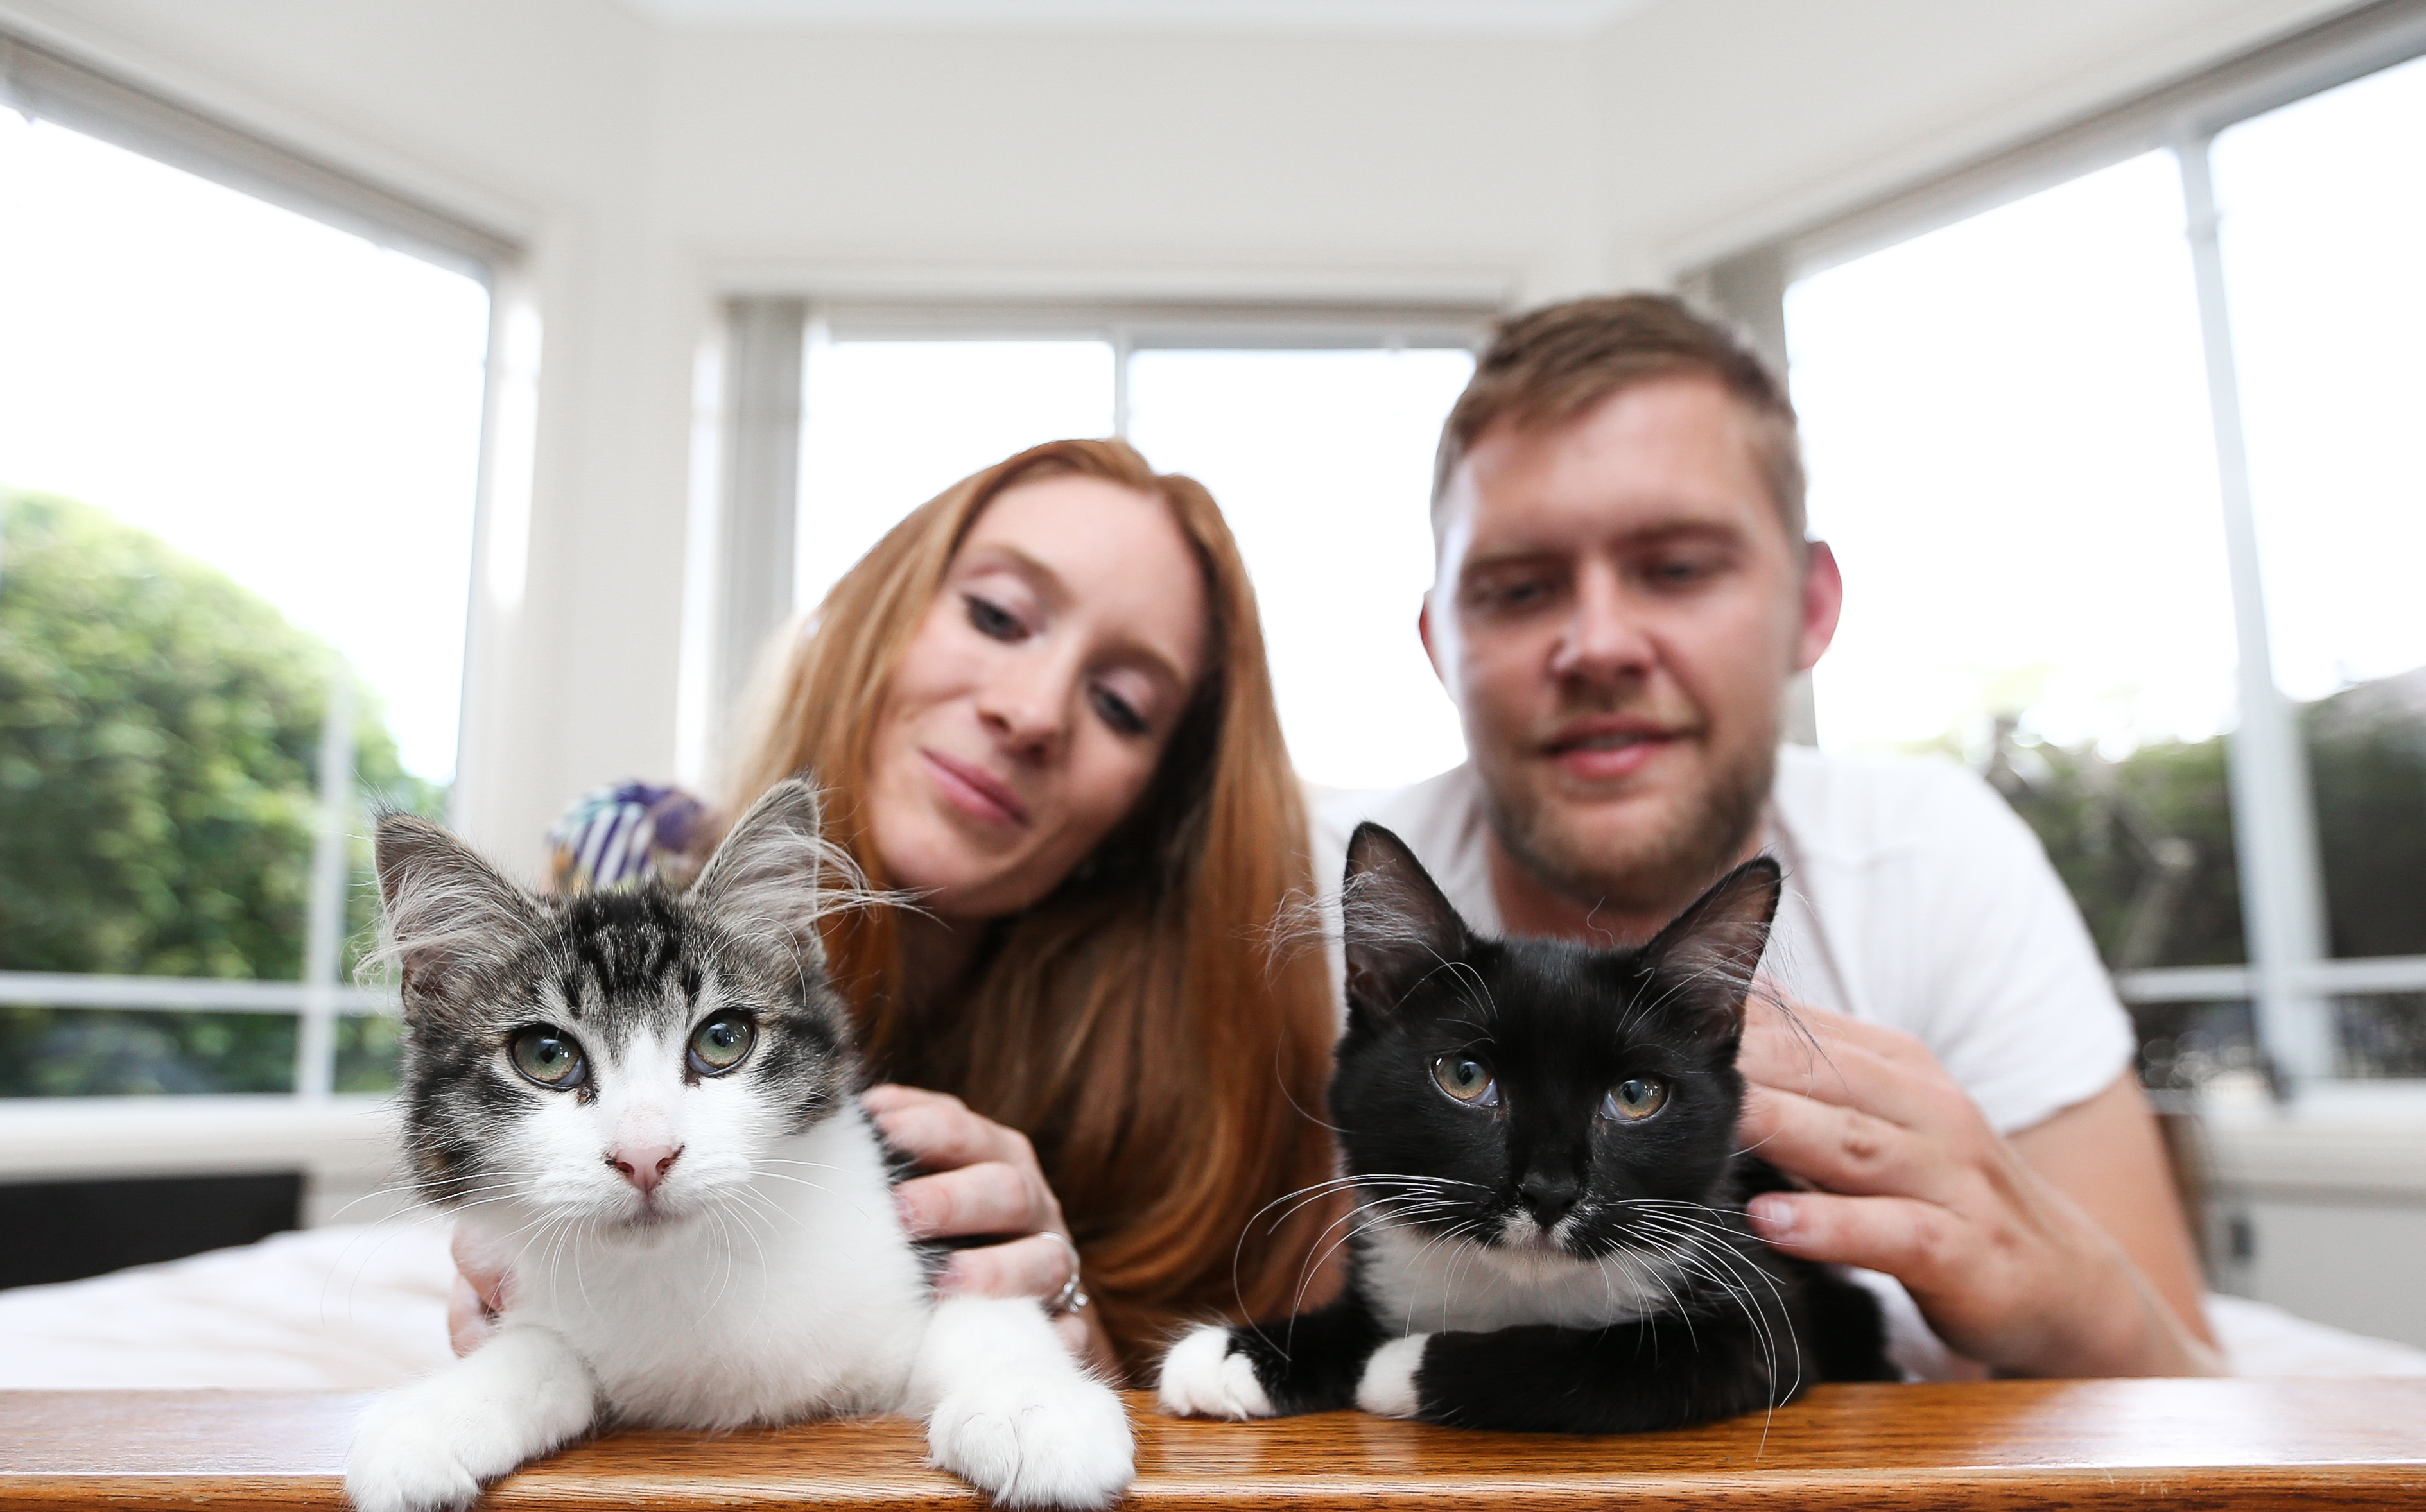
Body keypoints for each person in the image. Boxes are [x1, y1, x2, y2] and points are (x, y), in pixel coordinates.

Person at [1316, 293, 2222, 1379]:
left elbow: (2188, 1397)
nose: (1599, 645)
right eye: (1518, 589)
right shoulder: (1317, 882)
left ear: (1811, 606)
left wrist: (2070, 1302)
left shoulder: (1936, 862)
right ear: (1440, 642)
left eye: (1679, 568)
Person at [458, 439, 1342, 1380]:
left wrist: (1078, 1335)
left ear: (1148, 813)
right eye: (998, 616)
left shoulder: (1188, 1075)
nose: (1034, 712)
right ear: (875, 612)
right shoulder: (627, 853)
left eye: (1122, 706)